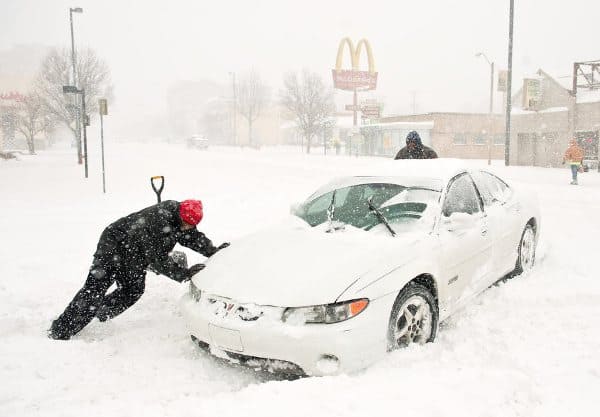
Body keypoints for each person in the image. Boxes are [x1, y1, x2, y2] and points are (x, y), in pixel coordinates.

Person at [48, 199, 229, 340]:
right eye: (187, 223)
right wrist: (183, 274)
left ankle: (99, 313)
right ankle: (61, 330)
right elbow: (157, 259)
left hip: (134, 251)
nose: (188, 227)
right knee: (95, 289)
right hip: (114, 244)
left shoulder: (181, 220)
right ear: (181, 215)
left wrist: (212, 251)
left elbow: (191, 237)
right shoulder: (157, 221)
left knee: (132, 290)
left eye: (191, 225)